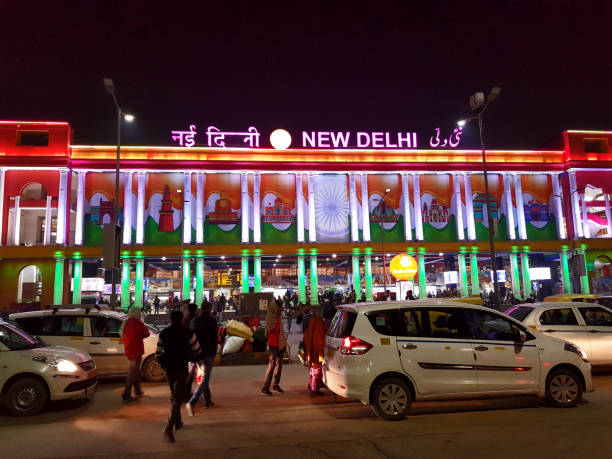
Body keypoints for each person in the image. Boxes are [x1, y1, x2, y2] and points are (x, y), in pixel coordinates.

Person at [156, 310, 202, 443]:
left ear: (171, 319)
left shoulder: (164, 333)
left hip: (170, 370)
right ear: (182, 319)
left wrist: (164, 365)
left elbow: (158, 353)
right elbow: (197, 350)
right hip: (182, 369)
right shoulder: (188, 333)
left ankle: (178, 421)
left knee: (175, 395)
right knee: (178, 399)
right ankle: (168, 429)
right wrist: (198, 361)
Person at [187, 302, 218, 414]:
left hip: (198, 353)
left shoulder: (195, 321)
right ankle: (192, 402)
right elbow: (215, 337)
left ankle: (208, 400)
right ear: (210, 309)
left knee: (204, 377)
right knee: (204, 379)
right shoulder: (212, 321)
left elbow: (192, 336)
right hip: (209, 353)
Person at [119, 307, 150, 403]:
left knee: (136, 370)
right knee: (133, 372)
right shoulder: (137, 323)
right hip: (136, 350)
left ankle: (138, 391)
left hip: (128, 349)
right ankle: (126, 394)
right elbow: (147, 333)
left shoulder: (126, 322)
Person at [261, 300, 287, 396]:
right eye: (280, 307)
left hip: (280, 343)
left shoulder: (278, 315)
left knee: (279, 365)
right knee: (272, 366)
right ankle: (265, 388)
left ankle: (276, 385)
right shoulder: (271, 315)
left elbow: (281, 330)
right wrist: (278, 318)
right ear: (276, 307)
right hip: (273, 344)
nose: (281, 309)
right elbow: (273, 328)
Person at [303, 314, 326, 394]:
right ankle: (315, 388)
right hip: (316, 355)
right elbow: (320, 343)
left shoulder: (308, 331)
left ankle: (311, 384)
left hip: (311, 355)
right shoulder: (317, 330)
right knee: (316, 371)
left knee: (312, 371)